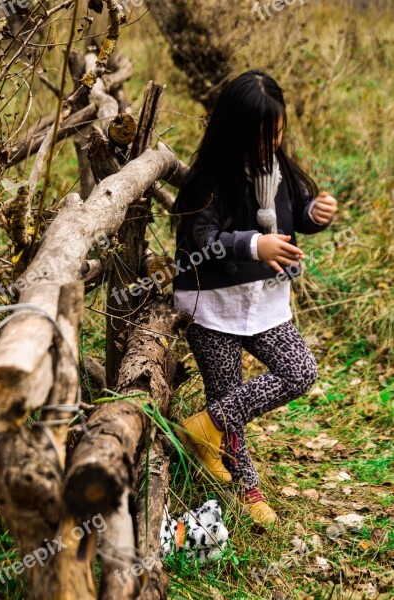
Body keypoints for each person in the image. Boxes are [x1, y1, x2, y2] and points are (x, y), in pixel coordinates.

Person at [170, 69, 338, 526]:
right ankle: (248, 491)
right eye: (260, 137)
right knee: (229, 397)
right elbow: (201, 237)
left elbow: (296, 212)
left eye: (278, 133)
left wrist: (314, 213)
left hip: (265, 303)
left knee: (300, 371)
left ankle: (204, 426)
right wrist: (252, 245)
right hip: (212, 305)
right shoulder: (211, 178)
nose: (270, 145)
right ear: (233, 132)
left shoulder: (278, 169)